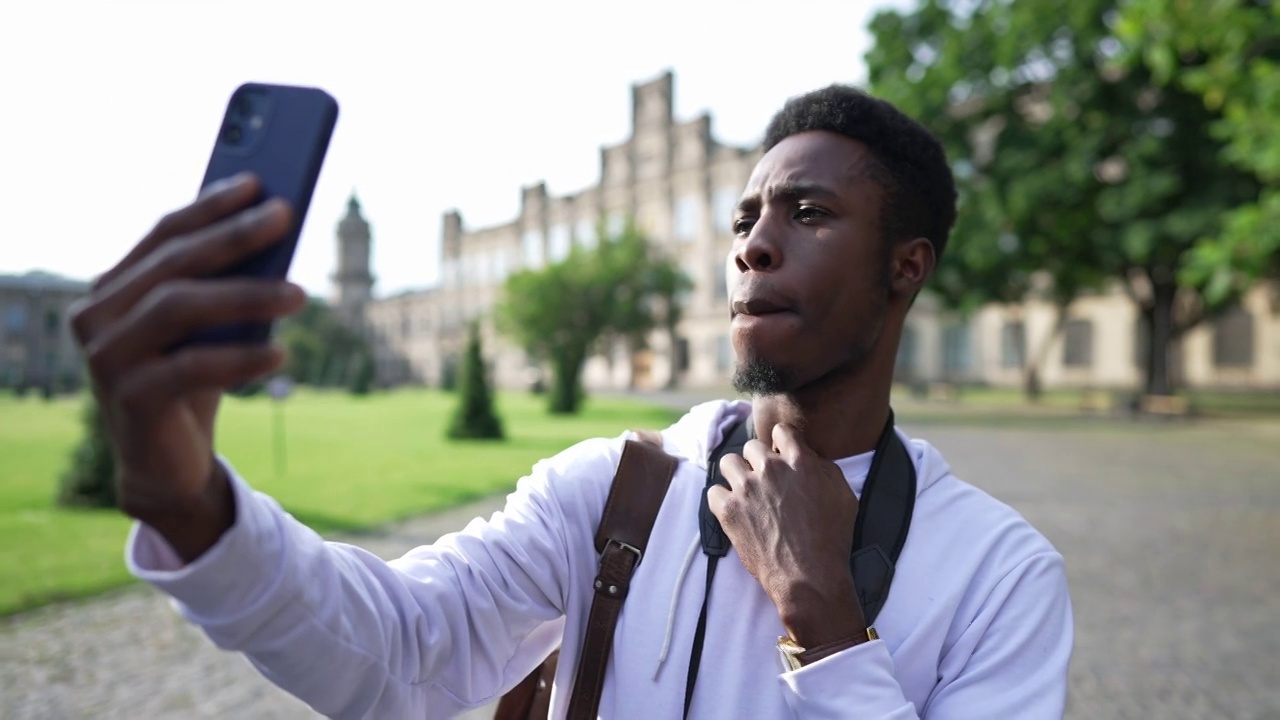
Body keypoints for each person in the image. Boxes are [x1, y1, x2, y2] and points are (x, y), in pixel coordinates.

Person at [71, 85, 1073, 719]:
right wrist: (188, 505)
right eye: (742, 215)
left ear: (906, 269)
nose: (751, 243)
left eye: (806, 213)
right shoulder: (616, 491)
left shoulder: (998, 574)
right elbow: (400, 654)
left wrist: (825, 622)